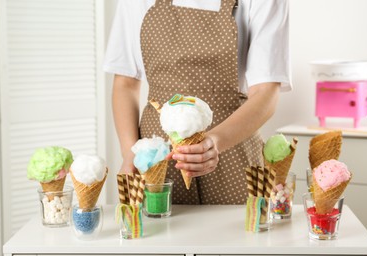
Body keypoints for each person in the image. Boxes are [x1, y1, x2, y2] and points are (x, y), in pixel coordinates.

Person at [104, 0, 291, 205]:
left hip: (233, 149)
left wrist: (216, 141)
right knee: (157, 233)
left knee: (236, 234)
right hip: (156, 155)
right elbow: (125, 84)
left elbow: (266, 92)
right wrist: (131, 153)